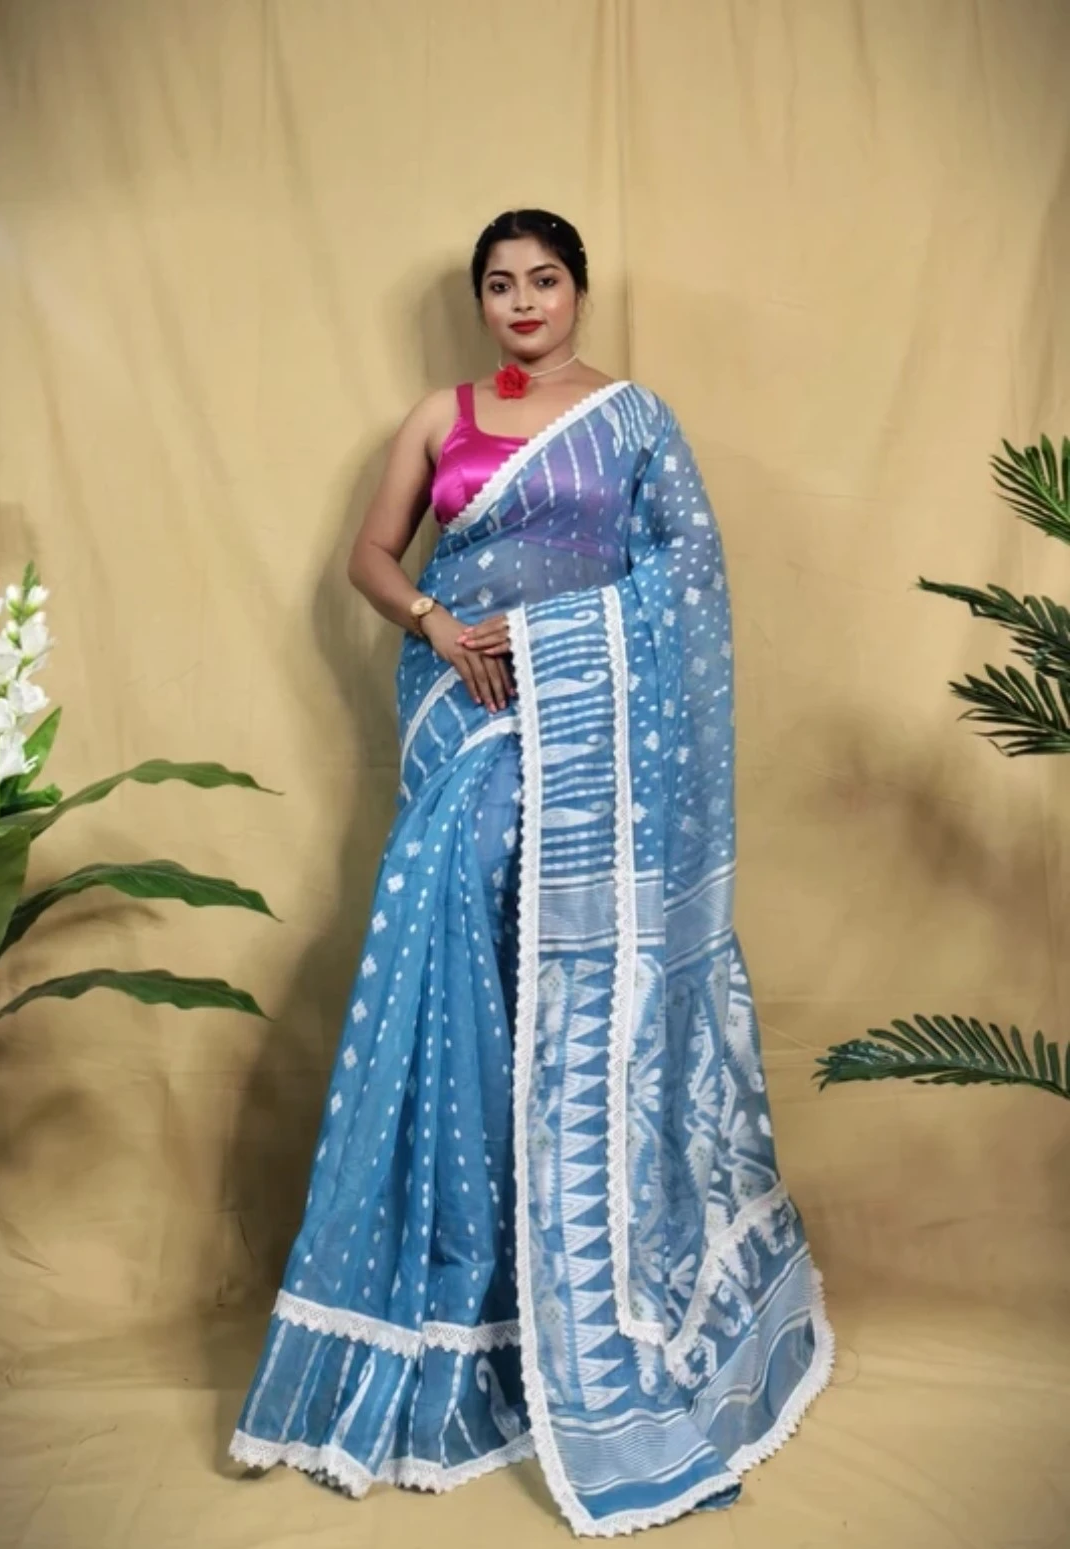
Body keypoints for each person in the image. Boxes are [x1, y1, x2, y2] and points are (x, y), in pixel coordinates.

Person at [229, 208, 834, 1536]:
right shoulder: (434, 421)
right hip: (470, 730)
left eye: (543, 281)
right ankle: (474, 1303)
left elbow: (688, 581)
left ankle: (579, 1297)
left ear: (578, 293)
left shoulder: (634, 421)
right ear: (480, 300)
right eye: (499, 284)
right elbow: (369, 558)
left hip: (596, 754)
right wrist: (440, 625)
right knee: (461, 982)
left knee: (566, 998)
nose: (521, 302)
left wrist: (556, 638)